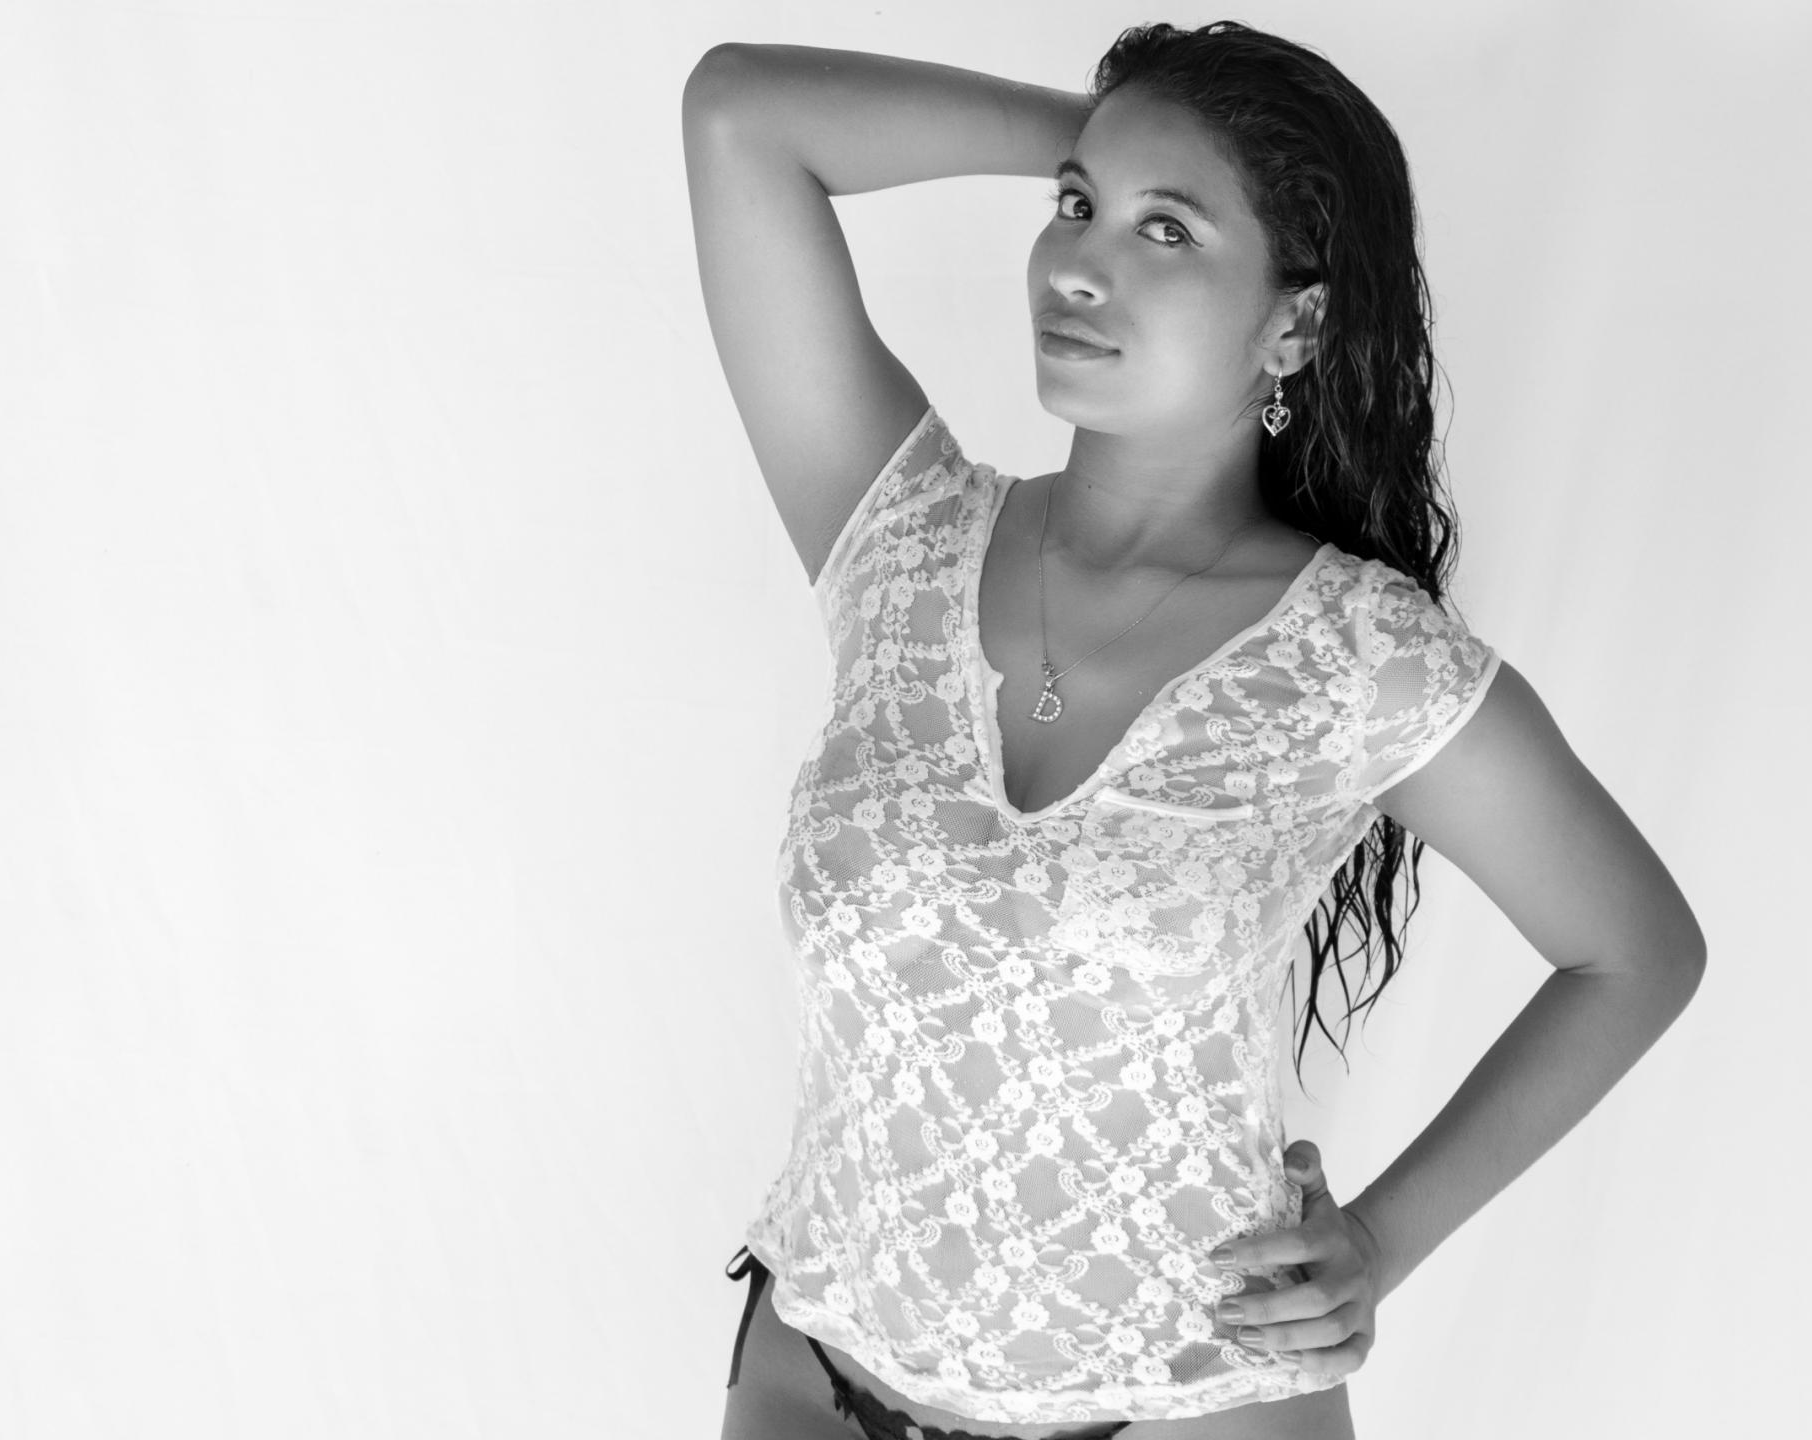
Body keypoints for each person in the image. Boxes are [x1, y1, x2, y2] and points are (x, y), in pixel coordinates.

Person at [681, 20, 1705, 1440]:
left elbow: (1634, 953)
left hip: (1195, 1397)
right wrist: (1105, 130)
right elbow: (740, 115)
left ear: (1293, 327)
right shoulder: (897, 535)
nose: (1079, 264)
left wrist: (1381, 1243)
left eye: (1167, 229)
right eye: (1076, 207)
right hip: (820, 1368)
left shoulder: (1362, 660)